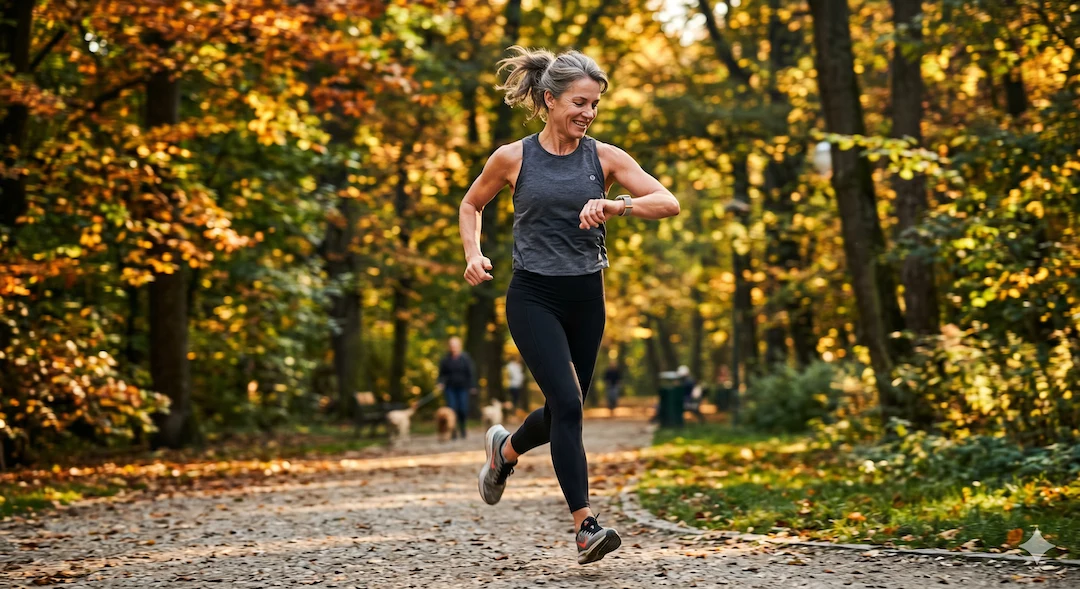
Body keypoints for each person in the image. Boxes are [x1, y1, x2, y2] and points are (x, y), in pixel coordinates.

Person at [459, 46, 680, 565]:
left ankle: (505, 451)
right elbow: (472, 203)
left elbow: (667, 202)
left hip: (586, 295)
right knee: (570, 404)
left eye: (595, 105)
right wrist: (474, 252)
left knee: (565, 407)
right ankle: (586, 527)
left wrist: (615, 203)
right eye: (580, 102)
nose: (588, 113)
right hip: (533, 293)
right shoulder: (512, 158)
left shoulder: (604, 158)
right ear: (549, 99)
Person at [436, 336, 475, 440]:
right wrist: (440, 383)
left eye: (455, 345)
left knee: (462, 409)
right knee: (452, 410)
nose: (453, 347)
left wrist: (472, 386)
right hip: (450, 388)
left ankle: (462, 428)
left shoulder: (465, 358)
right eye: (451, 345)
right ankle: (452, 431)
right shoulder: (445, 359)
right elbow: (441, 374)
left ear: (459, 346)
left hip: (463, 387)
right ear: (449, 347)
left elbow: (470, 373)